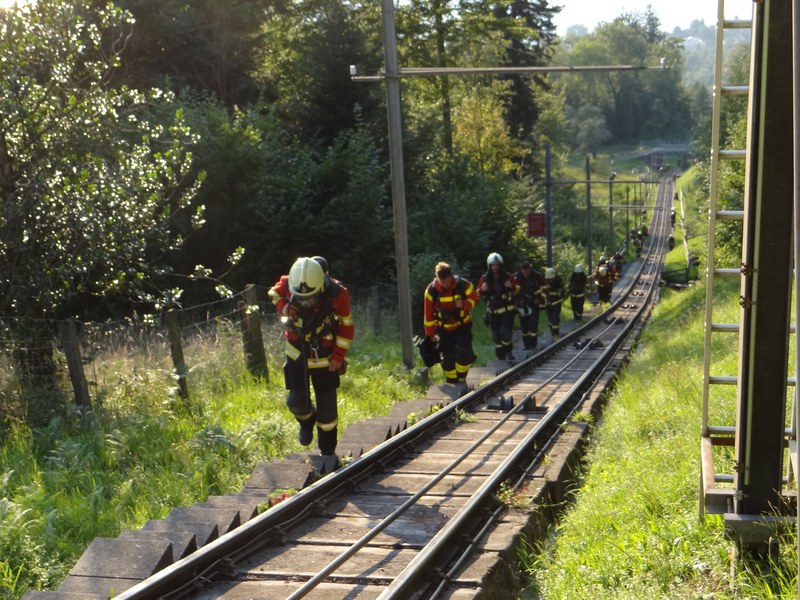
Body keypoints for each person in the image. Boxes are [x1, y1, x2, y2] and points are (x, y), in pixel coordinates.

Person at [268, 257, 355, 457]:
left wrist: (338, 356)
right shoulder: (290, 282)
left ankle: (327, 452)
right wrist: (284, 306)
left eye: (311, 298)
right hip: (296, 352)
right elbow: (273, 293)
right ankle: (307, 421)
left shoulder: (337, 294)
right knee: (295, 402)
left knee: (327, 411)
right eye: (301, 298)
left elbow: (347, 326)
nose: (306, 301)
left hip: (324, 356)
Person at [423, 262, 478, 385]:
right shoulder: (431, 291)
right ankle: (452, 382)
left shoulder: (462, 285)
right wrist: (430, 335)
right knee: (448, 360)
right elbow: (428, 315)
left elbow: (475, 298)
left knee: (465, 352)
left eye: (448, 281)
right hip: (444, 330)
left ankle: (462, 378)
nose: (446, 285)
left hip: (462, 326)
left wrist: (464, 305)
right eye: (443, 282)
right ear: (437, 278)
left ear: (451, 276)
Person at [478, 253, 519, 360]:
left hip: (507, 311)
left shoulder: (508, 277)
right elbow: (477, 294)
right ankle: (500, 357)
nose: (495, 267)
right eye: (493, 265)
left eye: (497, 265)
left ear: (500, 265)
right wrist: (482, 290)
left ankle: (508, 351)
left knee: (505, 333)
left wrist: (512, 286)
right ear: (489, 266)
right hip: (493, 312)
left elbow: (518, 289)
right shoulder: (484, 279)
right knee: (496, 337)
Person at [514, 260, 546, 350]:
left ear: (530, 269)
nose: (525, 274)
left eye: (527, 272)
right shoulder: (516, 277)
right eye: (523, 272)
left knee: (532, 325)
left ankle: (533, 345)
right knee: (524, 326)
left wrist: (539, 300)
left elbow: (546, 289)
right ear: (521, 270)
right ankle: (526, 345)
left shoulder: (537, 276)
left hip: (534, 304)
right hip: (521, 305)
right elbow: (512, 290)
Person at [543, 267, 565, 338]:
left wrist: (560, 293)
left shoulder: (558, 281)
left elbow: (561, 292)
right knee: (550, 319)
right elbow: (543, 291)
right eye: (548, 279)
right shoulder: (545, 281)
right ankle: (553, 333)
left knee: (555, 317)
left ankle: (556, 333)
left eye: (550, 279)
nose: (549, 281)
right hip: (548, 302)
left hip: (556, 302)